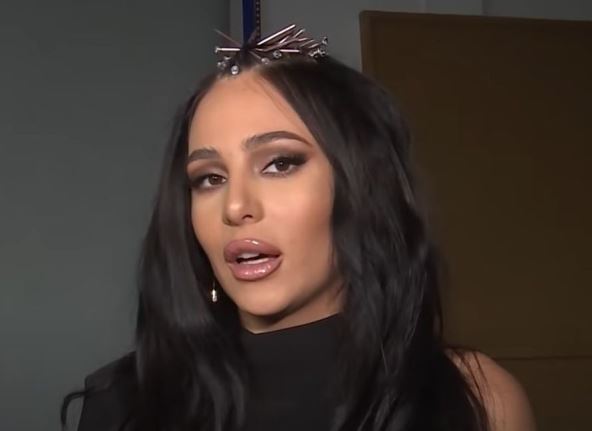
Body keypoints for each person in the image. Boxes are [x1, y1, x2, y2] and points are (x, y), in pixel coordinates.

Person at [61, 24, 536, 431]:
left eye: (280, 164)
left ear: (360, 186)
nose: (236, 207)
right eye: (209, 178)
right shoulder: (123, 402)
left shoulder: (476, 398)